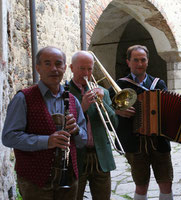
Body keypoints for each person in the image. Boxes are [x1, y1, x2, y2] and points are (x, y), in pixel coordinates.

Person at [109, 45, 181, 200]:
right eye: (135, 60)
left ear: (147, 61)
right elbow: (107, 112)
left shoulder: (158, 84)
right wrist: (117, 111)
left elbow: (171, 113)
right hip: (134, 143)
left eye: (143, 60)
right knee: (141, 184)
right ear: (128, 62)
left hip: (159, 142)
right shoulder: (119, 86)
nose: (139, 63)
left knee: (166, 182)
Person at [2, 46, 87, 200]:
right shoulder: (23, 98)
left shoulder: (73, 100)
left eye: (58, 63)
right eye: (47, 63)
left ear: (65, 67)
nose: (54, 69)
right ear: (38, 68)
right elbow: (9, 137)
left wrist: (76, 131)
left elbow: (82, 140)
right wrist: (47, 141)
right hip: (35, 181)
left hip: (68, 179)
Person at [69, 51, 118, 200]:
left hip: (101, 156)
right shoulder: (65, 91)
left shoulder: (102, 92)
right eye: (81, 68)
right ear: (71, 68)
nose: (86, 73)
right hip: (77, 156)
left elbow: (114, 125)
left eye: (89, 69)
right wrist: (82, 108)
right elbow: (63, 127)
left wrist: (104, 103)